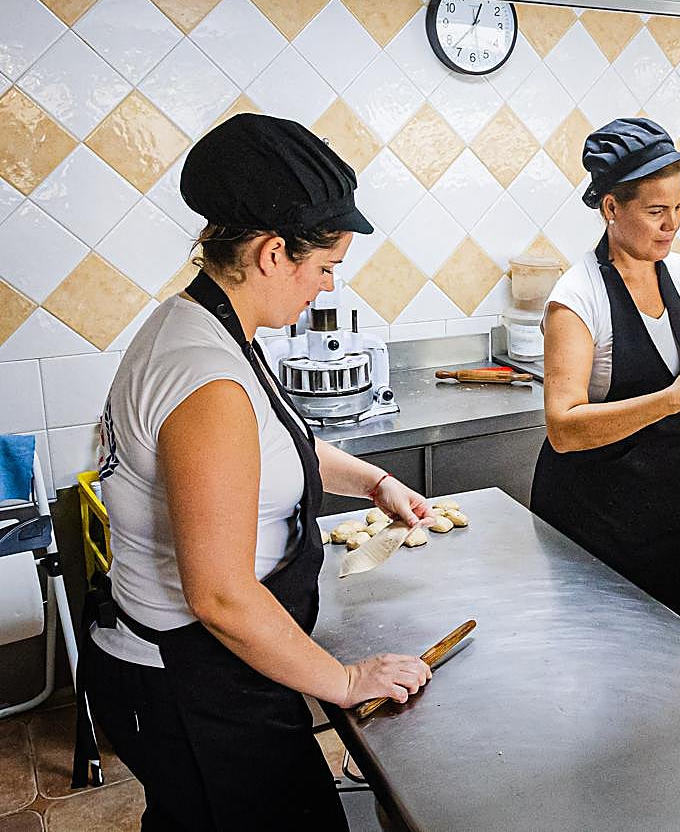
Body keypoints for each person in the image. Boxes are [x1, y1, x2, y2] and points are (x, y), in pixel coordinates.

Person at [72, 114, 436, 830]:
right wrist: (346, 681)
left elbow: (269, 450)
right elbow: (221, 597)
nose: (325, 287)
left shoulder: (206, 325)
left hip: (201, 675)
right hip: (191, 684)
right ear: (273, 253)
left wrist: (374, 481)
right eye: (326, 265)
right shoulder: (204, 376)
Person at [530, 117, 680, 614]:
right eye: (656, 210)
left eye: (679, 208)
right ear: (611, 207)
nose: (671, 224)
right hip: (591, 516)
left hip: (668, 504)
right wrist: (670, 401)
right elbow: (563, 429)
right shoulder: (576, 298)